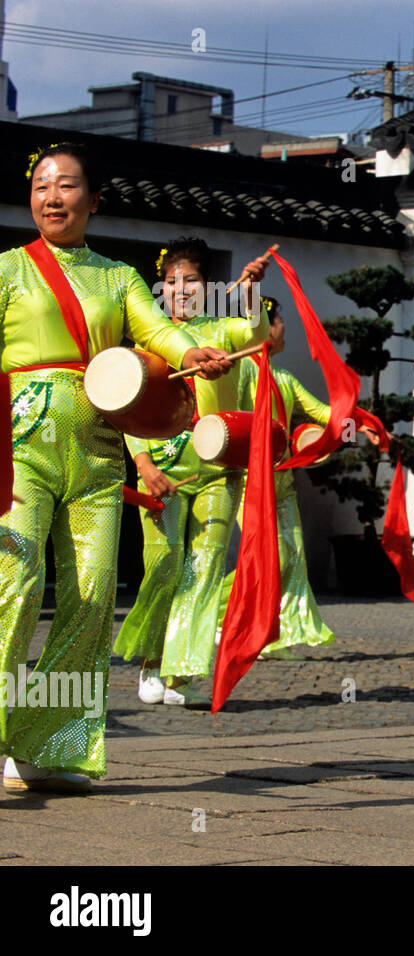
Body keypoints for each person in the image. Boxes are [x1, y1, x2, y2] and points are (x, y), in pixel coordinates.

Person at [1, 143, 233, 792]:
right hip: (18, 445)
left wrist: (199, 349)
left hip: (99, 451)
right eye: (42, 184)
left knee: (94, 593)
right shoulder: (8, 271)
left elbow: (159, 333)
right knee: (16, 580)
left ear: (93, 199)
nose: (52, 196)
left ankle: (51, 744)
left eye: (67, 185)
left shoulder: (120, 278)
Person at [114, 237, 269, 708]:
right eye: (173, 282)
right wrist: (141, 463)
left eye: (192, 282)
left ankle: (183, 674)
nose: (182, 290)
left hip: (217, 466)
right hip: (161, 465)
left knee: (203, 569)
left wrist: (251, 296)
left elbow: (259, 337)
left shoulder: (223, 331)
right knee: (164, 564)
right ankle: (148, 661)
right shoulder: (151, 340)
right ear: (162, 288)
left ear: (208, 288)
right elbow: (128, 408)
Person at [226, 296, 339, 660]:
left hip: (283, 483)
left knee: (291, 556)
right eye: (278, 322)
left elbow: (322, 412)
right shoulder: (239, 374)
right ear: (262, 329)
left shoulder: (285, 379)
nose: (284, 328)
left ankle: (276, 633)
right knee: (264, 557)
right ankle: (218, 617)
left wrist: (357, 419)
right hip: (250, 483)